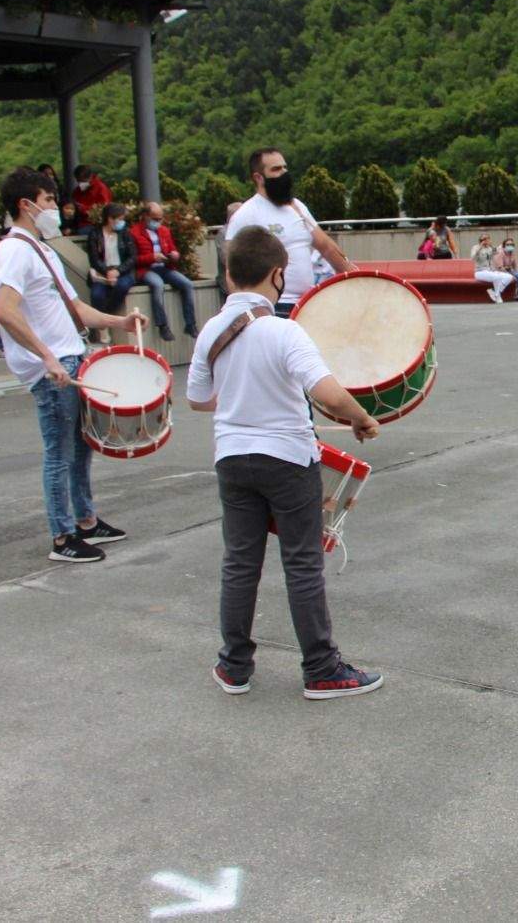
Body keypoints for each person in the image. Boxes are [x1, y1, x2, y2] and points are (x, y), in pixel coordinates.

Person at [187, 225, 384, 700]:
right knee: (301, 564)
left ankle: (234, 667)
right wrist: (360, 419)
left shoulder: (212, 329)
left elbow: (198, 399)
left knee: (239, 563)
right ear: (278, 275)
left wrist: (240, 396)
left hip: (232, 459)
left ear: (230, 275)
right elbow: (328, 392)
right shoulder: (283, 330)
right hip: (288, 460)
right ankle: (321, 669)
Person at [0, 166, 142, 562]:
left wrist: (120, 322)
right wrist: (46, 357)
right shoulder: (13, 250)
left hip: (70, 358)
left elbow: (73, 306)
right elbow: (5, 312)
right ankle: (62, 537)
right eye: (47, 201)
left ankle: (86, 520)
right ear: (26, 205)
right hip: (54, 369)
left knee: (81, 447)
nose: (54, 208)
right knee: (59, 454)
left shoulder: (41, 248)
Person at [226, 147, 354, 315]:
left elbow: (327, 247)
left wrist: (356, 276)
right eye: (276, 169)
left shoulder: (297, 207)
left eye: (284, 167)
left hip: (308, 303)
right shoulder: (247, 215)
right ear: (258, 178)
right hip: (273, 308)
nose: (284, 173)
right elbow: (232, 268)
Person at [131, 201, 198, 340]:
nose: (158, 222)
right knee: (157, 285)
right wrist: (152, 258)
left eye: (160, 219)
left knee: (187, 284)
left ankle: (190, 324)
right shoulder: (134, 232)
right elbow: (133, 259)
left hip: (165, 267)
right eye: (155, 219)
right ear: (145, 216)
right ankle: (163, 325)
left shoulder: (164, 231)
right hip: (146, 269)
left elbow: (172, 248)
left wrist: (174, 254)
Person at [86, 203, 137, 328]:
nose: (122, 222)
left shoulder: (125, 233)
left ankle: (106, 318)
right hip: (102, 272)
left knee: (122, 286)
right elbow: (94, 259)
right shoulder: (95, 234)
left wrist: (118, 271)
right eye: (120, 219)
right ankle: (100, 326)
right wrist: (107, 272)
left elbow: (132, 257)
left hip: (122, 271)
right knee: (97, 294)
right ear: (110, 218)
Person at [63, 165, 113, 234]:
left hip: (94, 224)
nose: (80, 183)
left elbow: (103, 210)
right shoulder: (78, 191)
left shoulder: (101, 189)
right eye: (78, 181)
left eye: (82, 181)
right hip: (78, 222)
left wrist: (82, 208)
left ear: (90, 177)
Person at [470, 233, 514, 303]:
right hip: (479, 272)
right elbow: (472, 258)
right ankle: (497, 295)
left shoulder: (489, 248)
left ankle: (495, 293)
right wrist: (480, 247)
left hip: (490, 271)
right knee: (496, 277)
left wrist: (491, 245)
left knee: (509, 276)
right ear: (480, 240)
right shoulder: (475, 247)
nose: (485, 240)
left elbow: (497, 251)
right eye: (484, 239)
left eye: (487, 239)